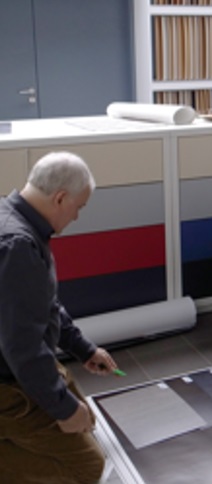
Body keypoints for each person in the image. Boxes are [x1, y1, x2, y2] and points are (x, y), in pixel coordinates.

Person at [0, 151, 120, 483]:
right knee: (86, 469)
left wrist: (83, 348)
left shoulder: (15, 220)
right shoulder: (17, 245)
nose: (77, 216)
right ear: (60, 198)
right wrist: (63, 409)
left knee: (85, 421)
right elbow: (22, 346)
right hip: (8, 383)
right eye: (78, 207)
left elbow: (43, 304)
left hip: (16, 364)